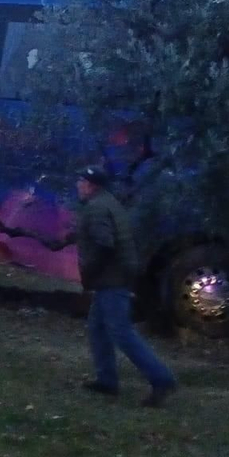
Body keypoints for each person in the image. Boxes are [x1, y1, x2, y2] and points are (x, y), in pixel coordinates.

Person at [69, 166, 177, 407]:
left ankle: (161, 379)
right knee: (97, 328)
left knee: (121, 332)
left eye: (81, 181)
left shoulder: (96, 208)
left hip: (111, 279)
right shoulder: (109, 203)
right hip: (116, 276)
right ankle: (107, 380)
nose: (78, 185)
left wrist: (90, 272)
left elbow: (104, 244)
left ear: (91, 185)